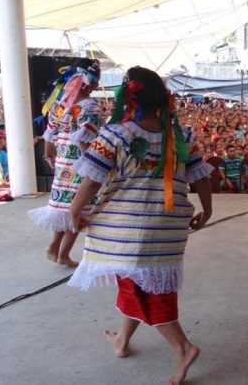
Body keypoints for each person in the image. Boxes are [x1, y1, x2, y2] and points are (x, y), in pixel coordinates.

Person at [67, 67, 213, 385]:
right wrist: (208, 208)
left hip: (129, 230)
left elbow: (92, 180)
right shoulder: (181, 134)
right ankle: (122, 338)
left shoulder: (116, 134)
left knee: (145, 290)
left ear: (128, 97)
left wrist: (74, 211)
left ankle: (183, 348)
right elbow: (200, 174)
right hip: (167, 230)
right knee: (138, 282)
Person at [28, 59, 102, 267]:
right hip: (80, 164)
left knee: (64, 207)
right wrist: (93, 165)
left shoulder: (61, 105)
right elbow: (85, 139)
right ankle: (63, 254)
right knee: (77, 209)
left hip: (62, 164)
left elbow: (49, 134)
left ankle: (54, 247)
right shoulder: (89, 106)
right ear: (90, 84)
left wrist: (48, 155)